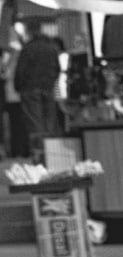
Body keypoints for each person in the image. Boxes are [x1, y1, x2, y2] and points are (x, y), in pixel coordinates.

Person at [13, 18, 59, 161]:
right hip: (47, 88)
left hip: (30, 89)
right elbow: (57, 69)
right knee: (49, 123)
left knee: (35, 124)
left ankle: (39, 157)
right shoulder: (51, 47)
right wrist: (51, 82)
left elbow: (20, 71)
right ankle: (52, 155)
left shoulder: (28, 48)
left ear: (29, 31)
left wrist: (18, 86)